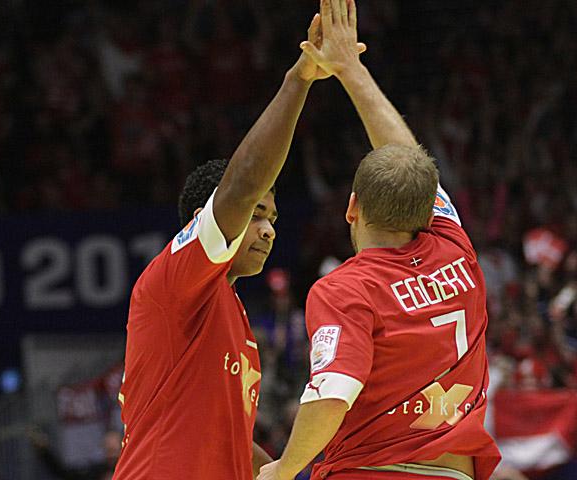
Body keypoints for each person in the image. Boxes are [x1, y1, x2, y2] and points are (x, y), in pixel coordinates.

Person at [112, 9, 366, 480]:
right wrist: (301, 78)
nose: (269, 231)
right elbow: (243, 183)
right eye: (258, 215)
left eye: (273, 219)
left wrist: (285, 470)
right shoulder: (172, 281)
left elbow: (228, 434)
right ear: (201, 221)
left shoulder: (235, 317)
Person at [258, 1, 501, 479]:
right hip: (456, 472)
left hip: (374, 470)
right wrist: (353, 70)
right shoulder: (456, 248)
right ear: (429, 206)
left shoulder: (344, 290)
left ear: (351, 208)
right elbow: (410, 160)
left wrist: (286, 468)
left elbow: (334, 390)